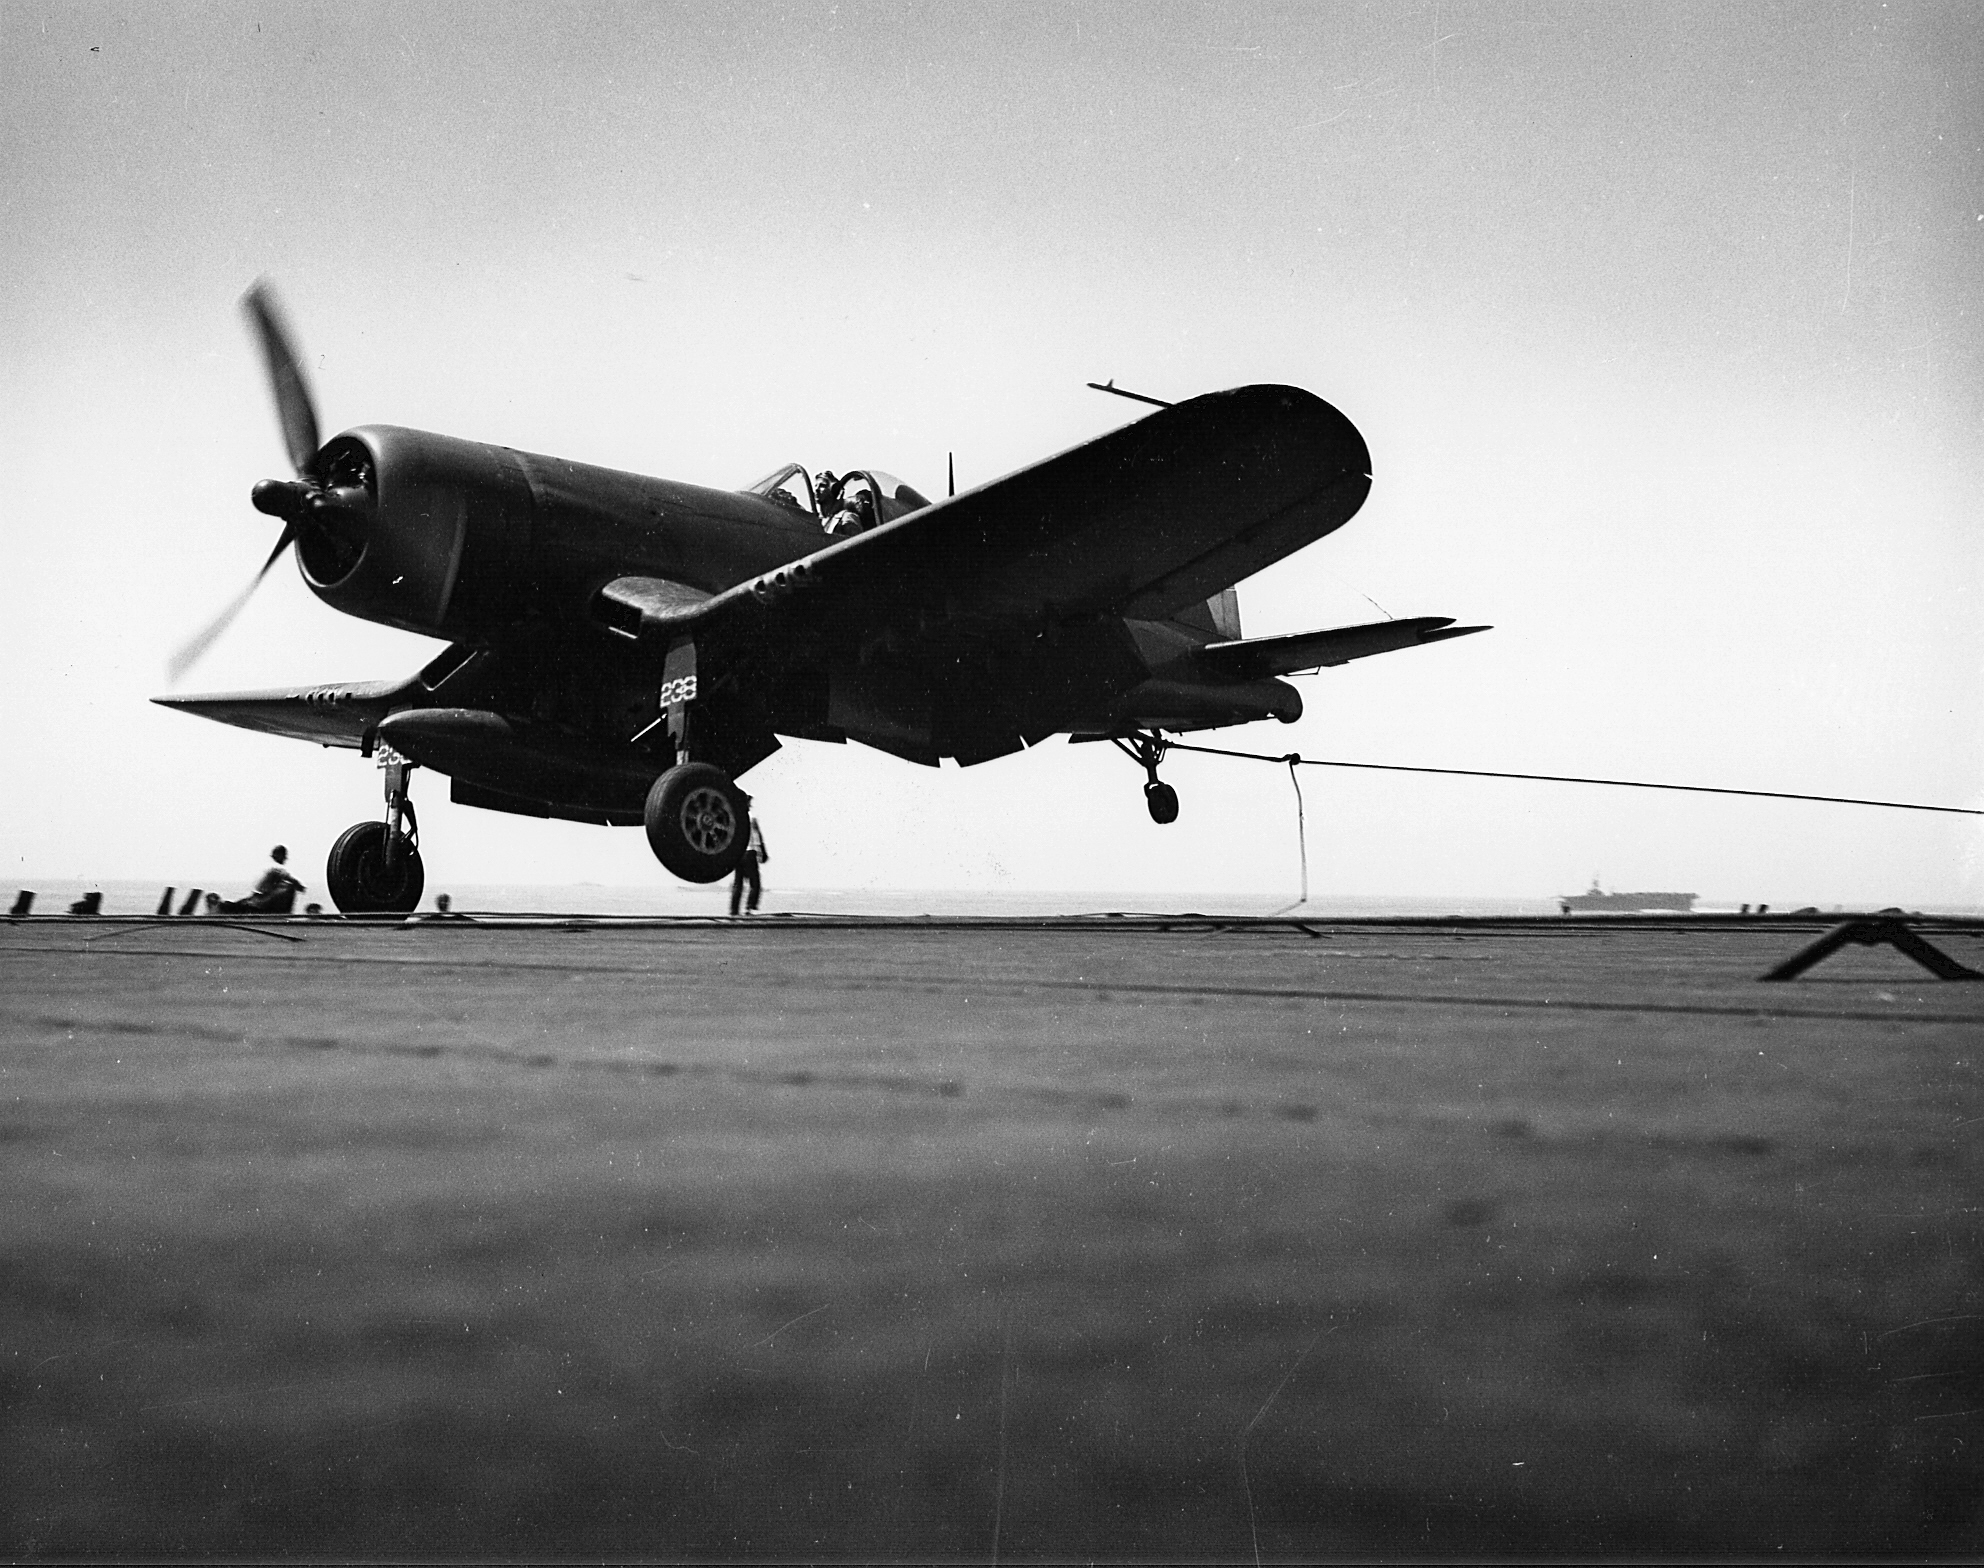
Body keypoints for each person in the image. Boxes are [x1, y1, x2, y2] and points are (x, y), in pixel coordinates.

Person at [220, 845, 304, 915]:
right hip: (259, 902)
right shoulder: (276, 867)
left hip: (256, 898)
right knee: (290, 888)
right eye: (284, 857)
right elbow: (289, 878)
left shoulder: (267, 866)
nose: (285, 860)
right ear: (279, 855)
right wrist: (300, 886)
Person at [729, 814, 768, 917]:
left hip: (737, 854)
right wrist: (763, 852)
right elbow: (757, 837)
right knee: (755, 883)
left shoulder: (734, 817)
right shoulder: (752, 818)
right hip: (750, 853)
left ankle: (734, 910)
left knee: (738, 883)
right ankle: (750, 908)